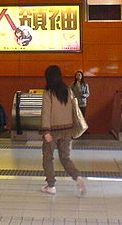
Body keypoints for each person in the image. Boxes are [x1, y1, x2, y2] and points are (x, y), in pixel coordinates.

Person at [39, 65, 86, 197]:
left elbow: (46, 113)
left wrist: (46, 131)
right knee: (65, 158)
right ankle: (77, 177)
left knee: (48, 158)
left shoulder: (48, 92)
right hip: (67, 130)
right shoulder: (68, 90)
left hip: (52, 131)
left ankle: (51, 186)